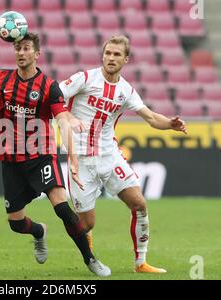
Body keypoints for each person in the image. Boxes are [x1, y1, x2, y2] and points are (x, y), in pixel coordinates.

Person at [0, 33, 111, 276]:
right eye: (18, 48)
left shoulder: (49, 86)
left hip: (41, 156)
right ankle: (39, 232)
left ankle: (90, 259)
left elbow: (62, 121)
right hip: (11, 159)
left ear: (37, 54)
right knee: (16, 224)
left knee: (62, 208)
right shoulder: (1, 78)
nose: (21, 53)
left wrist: (73, 160)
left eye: (26, 48)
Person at [59, 35, 187, 273]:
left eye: (117, 54)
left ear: (126, 59)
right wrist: (65, 115)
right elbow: (54, 96)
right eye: (108, 53)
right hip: (81, 159)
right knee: (86, 224)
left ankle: (141, 263)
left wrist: (170, 124)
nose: (111, 58)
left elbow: (150, 117)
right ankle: (85, 251)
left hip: (109, 156)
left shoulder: (126, 90)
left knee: (139, 204)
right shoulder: (85, 78)